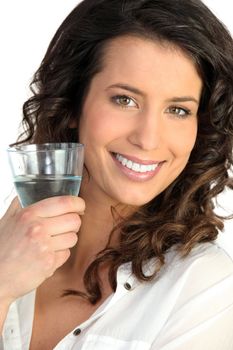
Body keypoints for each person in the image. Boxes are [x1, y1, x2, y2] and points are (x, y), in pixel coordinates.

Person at [1, 0, 233, 349]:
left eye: (178, 110)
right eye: (125, 100)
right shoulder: (8, 244)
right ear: (72, 104)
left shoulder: (204, 287)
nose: (148, 138)